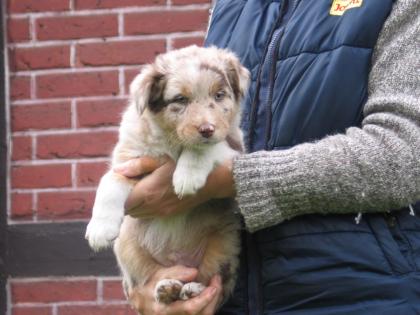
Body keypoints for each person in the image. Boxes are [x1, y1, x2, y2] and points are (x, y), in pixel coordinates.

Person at [115, 0, 420, 314]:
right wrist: (144, 288)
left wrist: (234, 179)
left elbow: (405, 155)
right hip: (227, 300)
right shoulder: (230, 6)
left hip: (360, 297)